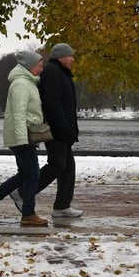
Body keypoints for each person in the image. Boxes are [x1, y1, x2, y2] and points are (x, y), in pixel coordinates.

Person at [0, 50, 49, 227]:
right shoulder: (21, 84)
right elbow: (18, 114)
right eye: (39, 66)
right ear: (29, 66)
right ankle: (28, 214)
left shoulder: (28, 83)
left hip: (26, 135)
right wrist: (21, 140)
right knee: (33, 175)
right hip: (23, 136)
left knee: (27, 174)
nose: (41, 69)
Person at [36, 42, 83, 218]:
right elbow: (52, 104)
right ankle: (24, 192)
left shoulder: (60, 73)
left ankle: (62, 206)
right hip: (57, 132)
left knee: (68, 168)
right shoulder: (53, 72)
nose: (73, 59)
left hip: (64, 132)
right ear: (61, 57)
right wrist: (63, 129)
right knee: (56, 166)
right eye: (70, 56)